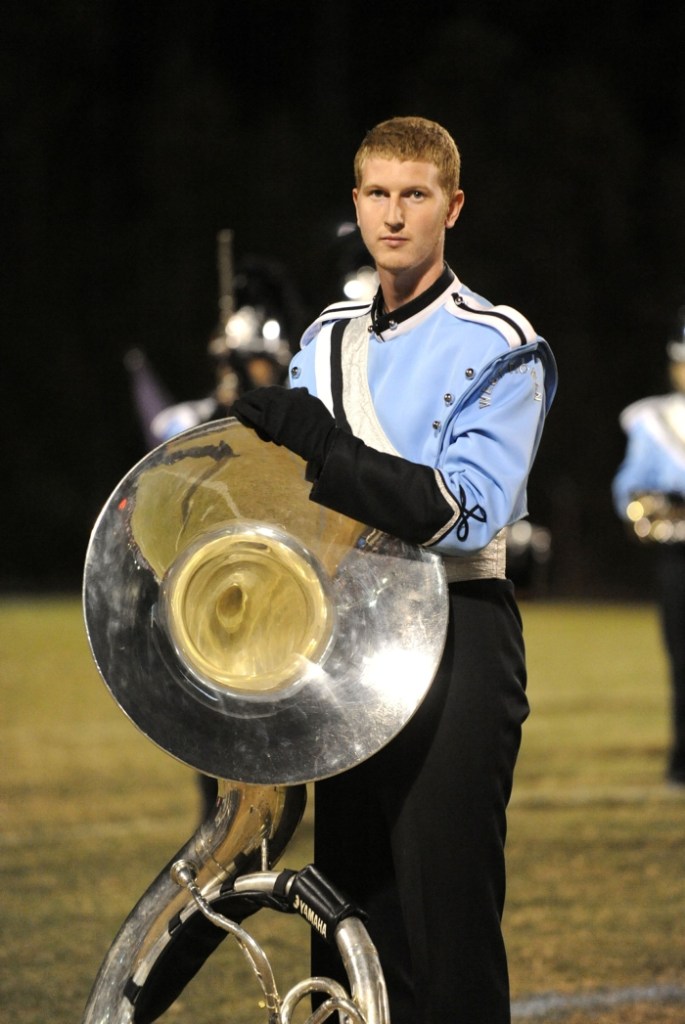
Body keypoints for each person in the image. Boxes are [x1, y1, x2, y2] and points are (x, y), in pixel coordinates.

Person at [233, 116, 557, 1024]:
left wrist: (324, 448)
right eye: (377, 193)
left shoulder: (499, 340)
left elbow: (465, 512)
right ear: (356, 202)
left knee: (445, 924)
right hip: (346, 640)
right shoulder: (325, 337)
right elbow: (291, 504)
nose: (393, 214)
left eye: (415, 195)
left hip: (459, 636)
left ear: (452, 207)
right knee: (347, 925)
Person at [612, 335, 685, 787]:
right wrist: (647, 508)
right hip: (678, 552)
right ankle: (683, 759)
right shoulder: (653, 419)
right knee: (682, 660)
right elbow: (631, 488)